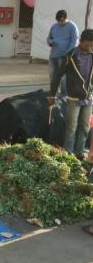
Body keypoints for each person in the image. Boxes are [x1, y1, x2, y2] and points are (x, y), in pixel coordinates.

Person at [48, 29, 93, 159]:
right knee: (71, 127)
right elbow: (57, 76)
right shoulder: (70, 56)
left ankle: (79, 153)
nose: (89, 48)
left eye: (92, 45)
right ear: (80, 41)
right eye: (87, 45)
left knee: (85, 127)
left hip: (88, 97)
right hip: (73, 97)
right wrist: (52, 95)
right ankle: (68, 154)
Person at [47, 10, 79, 95]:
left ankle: (64, 96)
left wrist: (67, 54)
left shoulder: (72, 26)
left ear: (65, 18)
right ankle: (53, 94)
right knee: (52, 76)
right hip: (53, 56)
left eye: (61, 21)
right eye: (58, 21)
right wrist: (50, 41)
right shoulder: (54, 26)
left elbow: (74, 42)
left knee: (63, 78)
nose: (60, 23)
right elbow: (49, 38)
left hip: (64, 56)